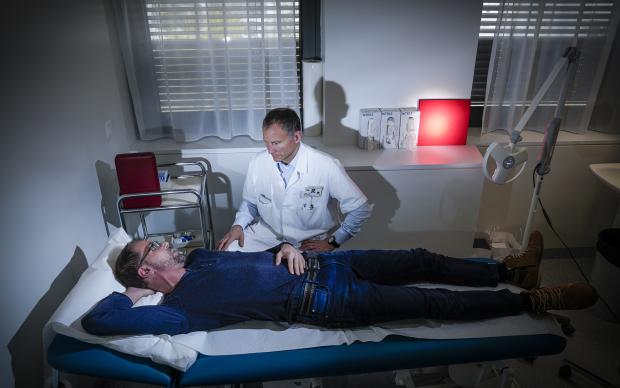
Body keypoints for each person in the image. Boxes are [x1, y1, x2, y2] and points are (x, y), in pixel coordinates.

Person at [82, 231, 598, 336]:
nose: (162, 243)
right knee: (430, 300)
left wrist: (285, 247)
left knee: (422, 258)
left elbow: (262, 256)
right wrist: (132, 291)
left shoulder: (199, 259)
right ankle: (535, 298)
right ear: (146, 269)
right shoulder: (180, 309)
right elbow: (100, 320)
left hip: (326, 262)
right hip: (325, 298)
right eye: (150, 248)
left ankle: (508, 270)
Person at [216, 107, 371, 253]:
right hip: (269, 234)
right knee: (229, 249)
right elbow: (250, 203)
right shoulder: (258, 162)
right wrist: (238, 225)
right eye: (266, 143)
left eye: (276, 143)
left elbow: (360, 208)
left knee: (297, 274)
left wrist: (333, 242)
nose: (270, 150)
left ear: (297, 137)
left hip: (309, 241)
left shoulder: (325, 165)